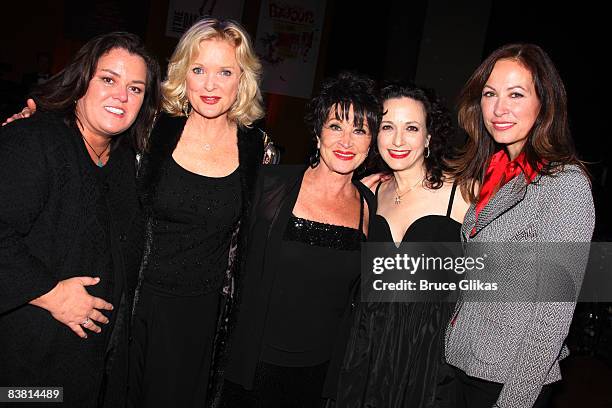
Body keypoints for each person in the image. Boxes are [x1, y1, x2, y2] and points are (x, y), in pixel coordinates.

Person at [0, 32, 160, 408]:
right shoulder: (35, 140)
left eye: (136, 89)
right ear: (81, 80)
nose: (122, 96)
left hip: (84, 375)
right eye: (109, 79)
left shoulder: (120, 160)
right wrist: (49, 293)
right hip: (25, 376)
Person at [127, 18, 274, 408]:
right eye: (199, 70)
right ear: (182, 74)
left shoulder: (261, 152)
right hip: (133, 303)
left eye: (224, 71)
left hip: (201, 316)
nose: (210, 85)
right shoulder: (147, 129)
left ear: (241, 79)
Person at [444, 43, 595, 408]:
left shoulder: (563, 184)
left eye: (516, 94)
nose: (499, 109)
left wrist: (515, 400)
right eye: (490, 94)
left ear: (544, 102)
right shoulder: (498, 173)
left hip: (507, 381)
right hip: (463, 362)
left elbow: (551, 317)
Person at [220, 72, 382, 407]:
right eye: (336, 125)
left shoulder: (370, 206)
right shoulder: (270, 186)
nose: (347, 141)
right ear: (318, 132)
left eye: (360, 130)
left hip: (318, 376)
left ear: (371, 141)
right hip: (254, 368)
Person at [334, 82, 470, 407]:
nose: (397, 140)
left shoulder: (464, 194)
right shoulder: (369, 193)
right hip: (366, 346)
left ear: (429, 137)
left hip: (428, 355)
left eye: (411, 128)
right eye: (387, 127)